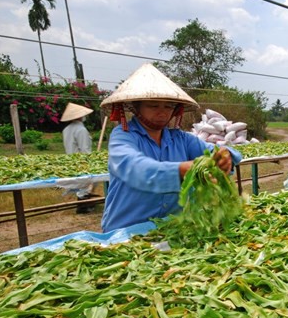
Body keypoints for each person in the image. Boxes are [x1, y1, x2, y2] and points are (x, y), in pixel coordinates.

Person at [99, 63, 242, 232]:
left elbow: (222, 153)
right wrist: (181, 170)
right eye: (153, 106)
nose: (162, 112)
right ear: (136, 107)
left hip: (171, 229)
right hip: (126, 232)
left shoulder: (181, 139)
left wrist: (225, 155)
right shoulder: (123, 136)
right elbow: (135, 168)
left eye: (168, 106)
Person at [60, 102, 96, 213]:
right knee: (87, 182)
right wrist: (91, 161)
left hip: (71, 159)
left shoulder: (67, 129)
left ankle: (84, 202)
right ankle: (83, 206)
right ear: (80, 116)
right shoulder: (81, 130)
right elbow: (85, 149)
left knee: (81, 183)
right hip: (81, 160)